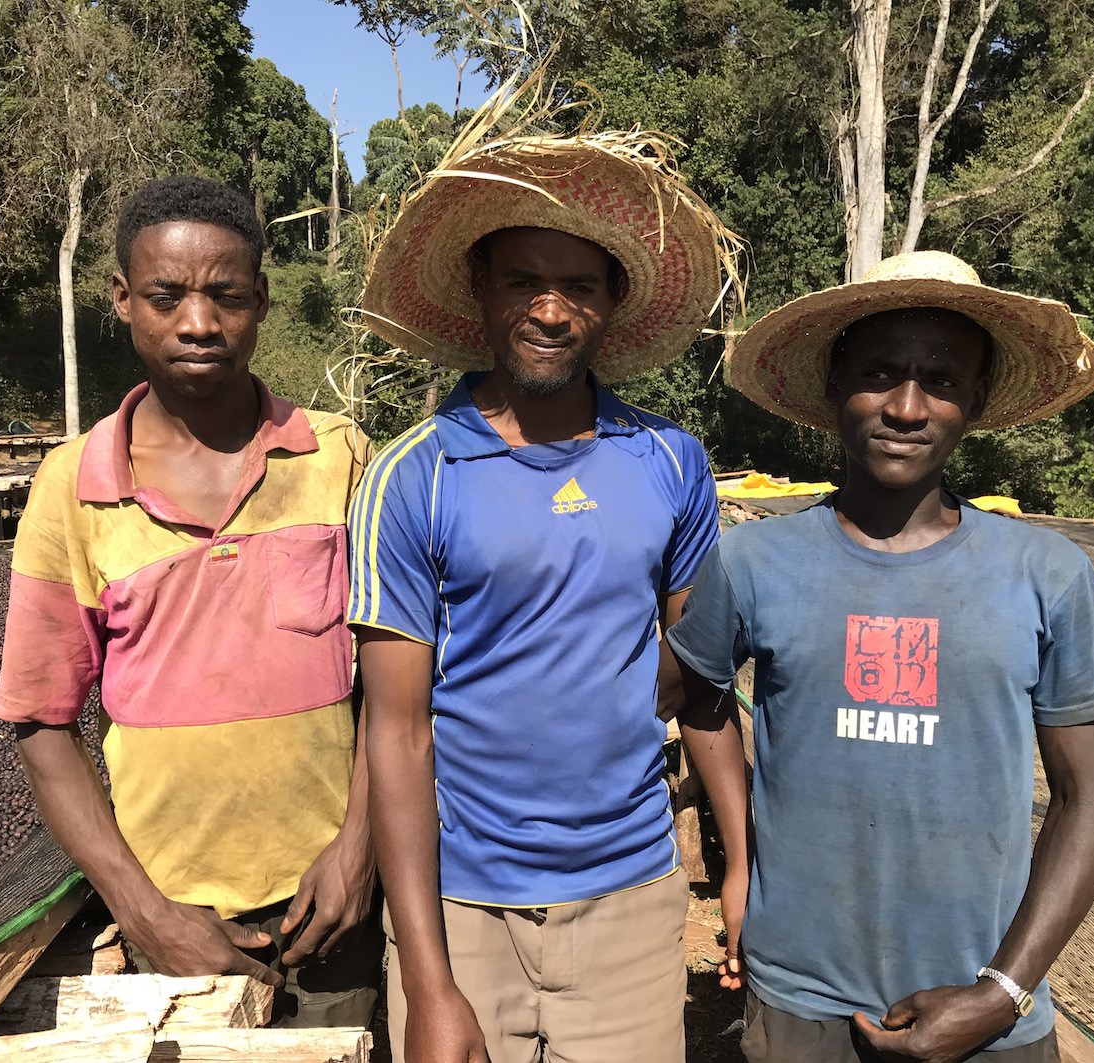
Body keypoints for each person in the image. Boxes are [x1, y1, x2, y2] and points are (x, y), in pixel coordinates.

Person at [665, 250, 1094, 1062]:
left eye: (942, 380)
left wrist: (1002, 991)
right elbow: (692, 690)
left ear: (975, 400)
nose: (907, 406)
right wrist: (740, 859)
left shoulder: (1047, 574)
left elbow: (1084, 800)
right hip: (799, 1000)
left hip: (985, 1011)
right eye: (880, 373)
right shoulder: (753, 563)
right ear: (832, 386)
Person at [349, 135, 744, 1062]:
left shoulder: (668, 463)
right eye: (524, 279)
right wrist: (428, 980)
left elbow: (700, 682)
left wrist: (739, 866)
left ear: (612, 307)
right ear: (480, 290)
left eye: (581, 286)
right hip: (460, 900)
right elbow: (396, 732)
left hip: (629, 900)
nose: (552, 309)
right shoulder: (415, 475)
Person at [0, 175, 381, 1027]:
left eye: (225, 296)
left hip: (334, 909)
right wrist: (143, 910)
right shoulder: (71, 486)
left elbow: (393, 687)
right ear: (124, 301)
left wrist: (360, 847)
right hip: (173, 924)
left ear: (261, 302)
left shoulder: (339, 459)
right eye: (166, 297)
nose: (198, 323)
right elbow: (40, 719)